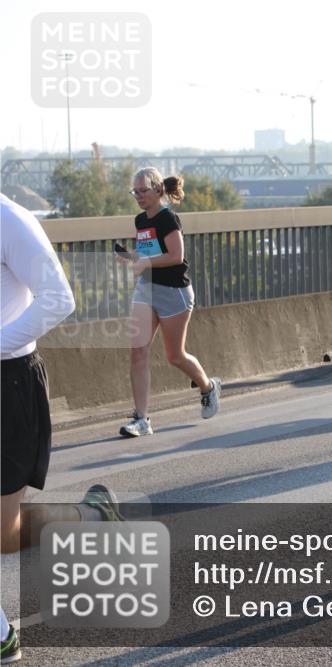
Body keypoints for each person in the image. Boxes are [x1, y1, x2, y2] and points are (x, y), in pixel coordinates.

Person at [1, 194, 124, 664]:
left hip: (7, 383)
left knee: (3, 534)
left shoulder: (10, 220)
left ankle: (93, 515)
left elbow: (59, 299)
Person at [117, 168, 220, 437]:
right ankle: (142, 419)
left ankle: (208, 387)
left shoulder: (168, 219)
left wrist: (146, 262)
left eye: (143, 190)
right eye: (135, 191)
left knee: (175, 355)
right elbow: (148, 254)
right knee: (138, 351)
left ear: (158, 189)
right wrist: (131, 257)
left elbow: (176, 255)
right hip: (147, 289)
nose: (138, 196)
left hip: (174, 292)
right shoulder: (140, 221)